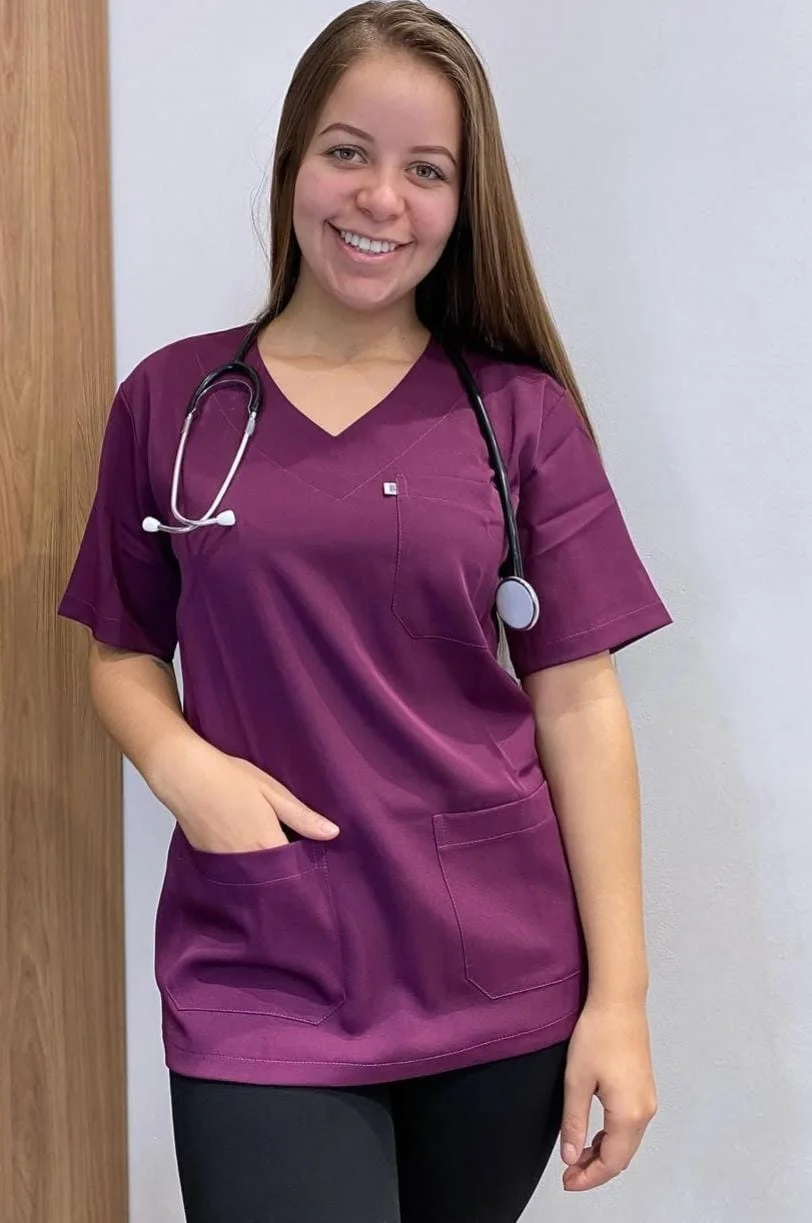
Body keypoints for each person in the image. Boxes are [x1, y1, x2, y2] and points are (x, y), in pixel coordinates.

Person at [58, 2, 673, 1219]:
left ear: (461, 201)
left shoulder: (518, 417)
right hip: (261, 960)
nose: (380, 198)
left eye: (425, 170)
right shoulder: (173, 402)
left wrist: (620, 1001)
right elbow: (121, 648)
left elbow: (576, 700)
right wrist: (185, 769)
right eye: (348, 151)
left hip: (492, 971)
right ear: (294, 158)